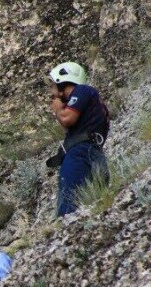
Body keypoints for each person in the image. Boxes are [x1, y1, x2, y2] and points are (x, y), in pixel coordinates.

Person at [47, 61, 111, 216]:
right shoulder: (93, 104)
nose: (52, 92)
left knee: (68, 206)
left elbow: (67, 119)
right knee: (93, 205)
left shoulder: (82, 90)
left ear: (62, 82)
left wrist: (57, 110)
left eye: (54, 85)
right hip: (95, 155)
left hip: (80, 154)